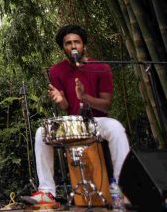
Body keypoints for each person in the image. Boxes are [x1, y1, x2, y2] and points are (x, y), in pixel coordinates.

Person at [23, 24, 130, 208]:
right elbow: (65, 106)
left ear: (84, 45)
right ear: (63, 48)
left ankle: (125, 189)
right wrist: (59, 100)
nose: (73, 46)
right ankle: (47, 191)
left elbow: (106, 104)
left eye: (77, 42)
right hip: (73, 122)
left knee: (116, 128)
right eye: (68, 43)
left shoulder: (101, 67)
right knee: (41, 132)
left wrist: (85, 97)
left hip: (97, 120)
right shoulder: (56, 70)